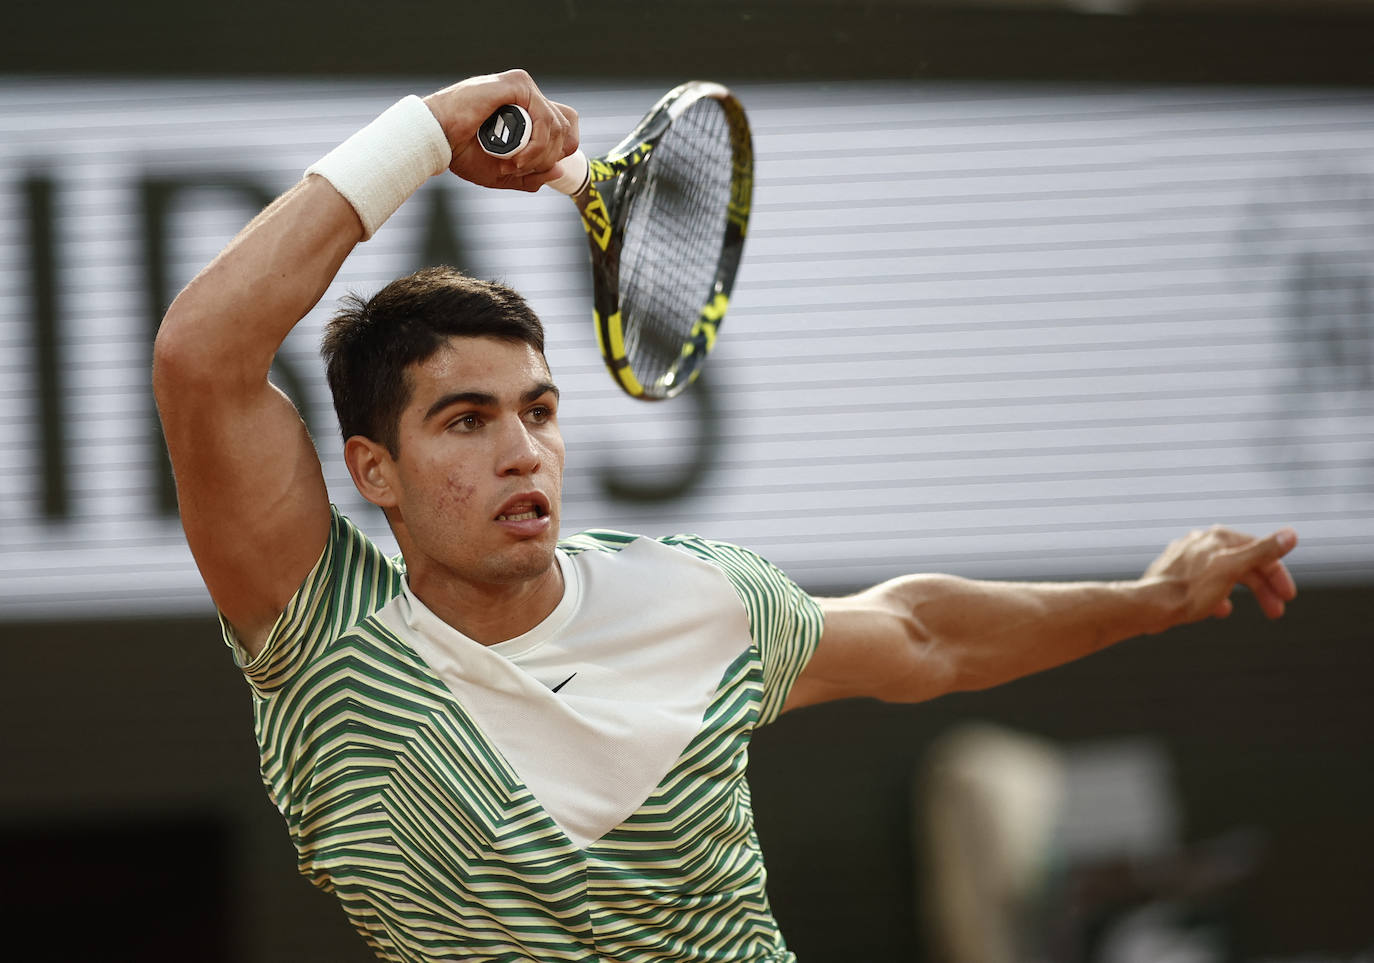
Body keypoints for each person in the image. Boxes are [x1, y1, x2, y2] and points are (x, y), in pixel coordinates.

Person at [151, 70, 1299, 963]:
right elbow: (203, 356)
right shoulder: (324, 642)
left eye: (539, 411)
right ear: (374, 470)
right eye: (464, 421)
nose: (520, 450)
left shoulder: (694, 599)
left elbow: (922, 636)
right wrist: (431, 132)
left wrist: (1152, 602)